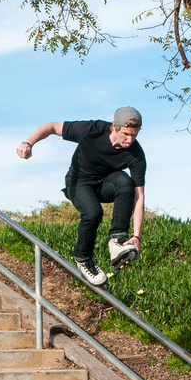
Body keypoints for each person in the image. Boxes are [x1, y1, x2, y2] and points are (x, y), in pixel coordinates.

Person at [16, 107, 146, 289]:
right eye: (126, 134)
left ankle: (117, 240)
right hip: (79, 183)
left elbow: (139, 197)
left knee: (126, 182)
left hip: (104, 186)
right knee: (93, 213)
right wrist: (28, 143)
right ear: (114, 127)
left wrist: (136, 236)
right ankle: (84, 259)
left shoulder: (136, 154)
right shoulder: (91, 130)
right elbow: (51, 127)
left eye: (134, 135)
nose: (130, 140)